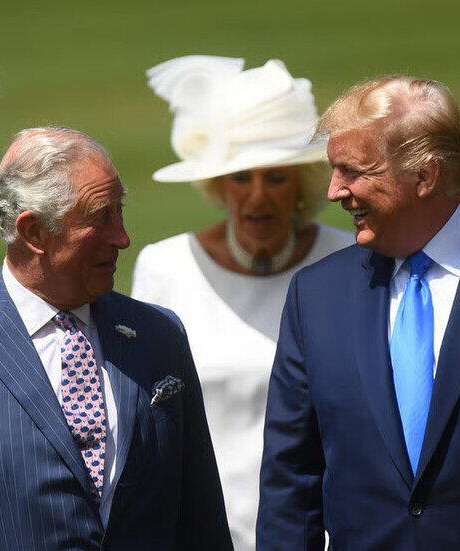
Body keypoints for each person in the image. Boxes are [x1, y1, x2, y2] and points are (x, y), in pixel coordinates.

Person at [0, 126, 233, 550]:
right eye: (99, 217)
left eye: (120, 210)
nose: (122, 238)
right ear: (33, 231)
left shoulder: (160, 336)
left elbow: (203, 526)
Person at [257, 75, 460, 550]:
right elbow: (290, 484)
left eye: (353, 171)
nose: (334, 191)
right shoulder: (316, 296)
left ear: (424, 176)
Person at [131, 55, 354, 549]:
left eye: (275, 178)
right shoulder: (164, 266)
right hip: (201, 531)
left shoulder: (349, 261)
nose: (257, 197)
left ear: (302, 182)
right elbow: (142, 422)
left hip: (321, 532)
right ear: (217, 183)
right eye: (240, 177)